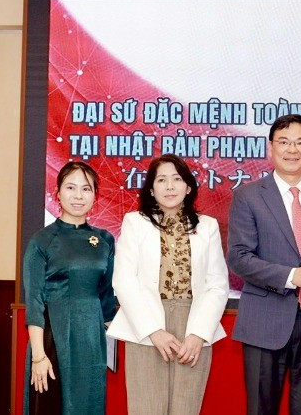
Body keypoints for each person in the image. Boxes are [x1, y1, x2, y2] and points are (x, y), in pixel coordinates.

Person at [227, 114, 301, 415]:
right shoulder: (248, 196)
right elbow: (239, 257)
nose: (293, 149)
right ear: (270, 148)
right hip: (264, 322)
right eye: (284, 142)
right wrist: (293, 276)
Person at [107, 154, 230, 415]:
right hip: (146, 326)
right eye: (162, 180)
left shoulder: (207, 226)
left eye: (177, 179)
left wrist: (198, 334)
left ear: (188, 187)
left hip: (194, 327)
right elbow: (124, 280)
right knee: (146, 408)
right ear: (152, 189)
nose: (170, 186)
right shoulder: (135, 222)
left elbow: (217, 284)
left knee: (186, 408)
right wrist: (153, 331)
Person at [23, 161, 117, 415]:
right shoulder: (42, 240)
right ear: (58, 192)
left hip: (91, 341)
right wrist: (39, 357)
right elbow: (34, 303)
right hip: (53, 339)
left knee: (90, 405)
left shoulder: (105, 240)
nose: (78, 196)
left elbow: (107, 299)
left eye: (86, 189)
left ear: (95, 195)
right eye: (71, 187)